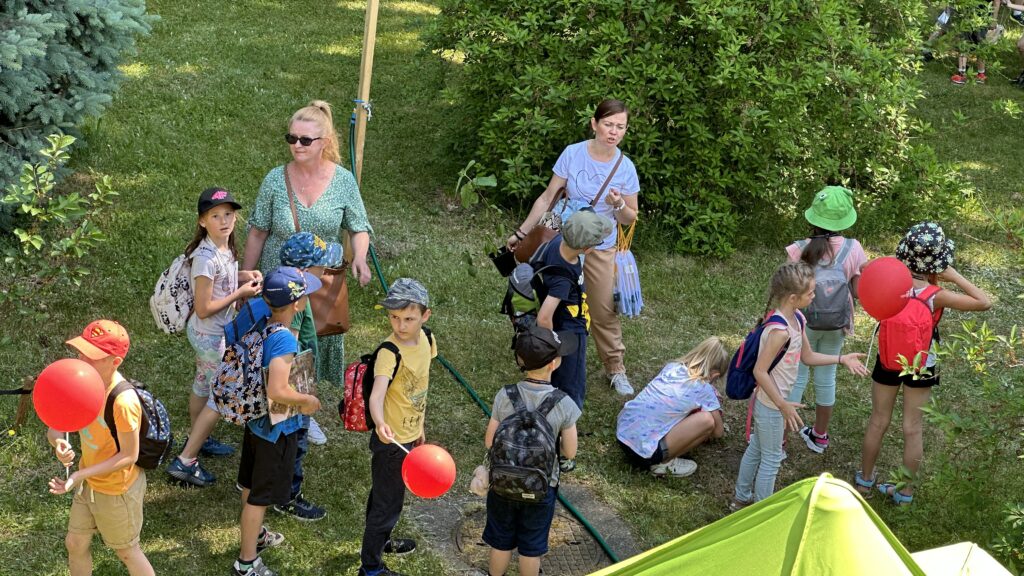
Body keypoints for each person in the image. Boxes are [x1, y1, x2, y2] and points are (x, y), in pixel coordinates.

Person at [243, 100, 373, 441]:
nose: (296, 145)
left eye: (305, 140)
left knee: (309, 345)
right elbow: (258, 230)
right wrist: (245, 276)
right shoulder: (275, 179)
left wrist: (359, 257)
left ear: (325, 143)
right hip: (280, 284)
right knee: (281, 344)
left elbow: (359, 227)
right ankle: (274, 409)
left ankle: (298, 410)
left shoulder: (343, 181)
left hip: (319, 285)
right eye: (292, 138)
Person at [506, 99, 641, 397]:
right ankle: (541, 355)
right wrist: (522, 231)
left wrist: (618, 203)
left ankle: (615, 367)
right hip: (562, 242)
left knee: (603, 310)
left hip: (598, 248)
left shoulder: (626, 168)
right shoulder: (573, 153)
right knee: (550, 299)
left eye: (620, 127)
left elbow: (630, 217)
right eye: (608, 124)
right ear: (594, 123)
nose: (613, 132)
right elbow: (548, 197)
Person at [855, 222, 990, 506]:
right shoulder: (935, 295)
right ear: (939, 262)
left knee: (878, 420)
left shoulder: (892, 282)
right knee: (912, 427)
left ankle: (864, 481)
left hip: (889, 357)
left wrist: (889, 266)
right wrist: (953, 275)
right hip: (921, 362)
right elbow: (983, 302)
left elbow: (865, 275)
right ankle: (905, 492)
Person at [732, 262, 868, 509]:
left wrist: (841, 359)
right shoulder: (780, 331)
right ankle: (760, 512)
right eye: (811, 293)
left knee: (757, 449)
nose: (814, 296)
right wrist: (783, 405)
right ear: (793, 297)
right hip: (772, 404)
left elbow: (808, 357)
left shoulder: (798, 319)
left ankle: (741, 499)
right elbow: (759, 371)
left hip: (773, 402)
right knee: (771, 458)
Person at [166, 187, 262, 488]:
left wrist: (244, 277)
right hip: (209, 335)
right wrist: (241, 293)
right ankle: (186, 460)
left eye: (229, 214)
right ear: (202, 221)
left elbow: (224, 283)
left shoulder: (225, 247)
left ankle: (199, 436)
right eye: (216, 216)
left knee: (203, 384)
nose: (224, 221)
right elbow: (205, 308)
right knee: (220, 395)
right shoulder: (205, 258)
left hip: (210, 333)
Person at [232, 266, 323, 576]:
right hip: (275, 428)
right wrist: (307, 401)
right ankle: (247, 563)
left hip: (255, 421)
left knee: (249, 483)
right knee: (260, 497)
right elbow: (278, 389)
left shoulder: (258, 314)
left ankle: (255, 536)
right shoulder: (284, 340)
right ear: (297, 304)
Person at [46, 320, 155, 576]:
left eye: (93, 357)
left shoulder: (123, 402)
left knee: (127, 551)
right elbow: (55, 426)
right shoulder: (78, 381)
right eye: (81, 351)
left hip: (117, 490)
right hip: (90, 482)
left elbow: (130, 455)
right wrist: (59, 442)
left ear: (115, 362)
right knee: (75, 543)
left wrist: (79, 475)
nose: (83, 359)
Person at [483, 324, 581, 576]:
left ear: (520, 360)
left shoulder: (505, 395)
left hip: (502, 484)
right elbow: (570, 451)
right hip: (541, 488)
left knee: (500, 540)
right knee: (531, 546)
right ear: (555, 363)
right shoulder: (564, 403)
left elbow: (489, 441)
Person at [359, 278, 437, 576]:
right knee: (386, 503)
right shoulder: (389, 353)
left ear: (425, 316)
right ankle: (371, 568)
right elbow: (377, 395)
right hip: (390, 442)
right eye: (394, 317)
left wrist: (420, 428)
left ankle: (382, 540)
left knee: (388, 496)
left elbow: (421, 387)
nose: (401, 325)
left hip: (410, 436)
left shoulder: (427, 341)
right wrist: (380, 423)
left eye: (409, 318)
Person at [784, 186, 868, 454]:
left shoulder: (798, 250)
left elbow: (786, 292)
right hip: (836, 325)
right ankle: (820, 436)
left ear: (813, 218)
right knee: (827, 376)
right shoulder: (854, 249)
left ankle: (782, 440)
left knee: (795, 377)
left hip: (801, 323)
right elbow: (856, 290)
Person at [272, 231, 343, 521]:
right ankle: (288, 495)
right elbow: (290, 348)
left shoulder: (287, 292)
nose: (325, 271)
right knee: (295, 440)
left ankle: (265, 481)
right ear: (302, 272)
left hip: (290, 377)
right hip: (293, 379)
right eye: (320, 266)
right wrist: (301, 395)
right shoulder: (296, 304)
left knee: (280, 437)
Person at [532, 210, 613, 409]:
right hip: (569, 334)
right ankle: (566, 422)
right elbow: (544, 318)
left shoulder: (559, 240)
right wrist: (554, 345)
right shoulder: (562, 278)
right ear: (586, 248)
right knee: (571, 384)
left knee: (554, 378)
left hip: (568, 324)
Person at [616, 336, 730, 478]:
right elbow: (718, 432)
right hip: (644, 453)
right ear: (714, 375)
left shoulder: (671, 368)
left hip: (622, 434)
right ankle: (664, 464)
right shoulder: (704, 390)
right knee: (707, 420)